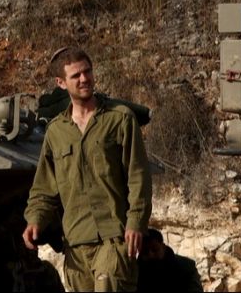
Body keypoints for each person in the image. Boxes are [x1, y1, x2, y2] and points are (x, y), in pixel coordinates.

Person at [22, 46, 152, 292]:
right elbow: (43, 189)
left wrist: (136, 222)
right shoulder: (56, 132)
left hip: (113, 239)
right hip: (75, 244)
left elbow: (138, 177)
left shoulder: (120, 119)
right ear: (61, 83)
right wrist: (35, 220)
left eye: (87, 72)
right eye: (76, 76)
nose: (84, 79)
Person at [137, 229, 203, 292]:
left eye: (155, 250)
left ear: (163, 247)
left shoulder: (186, 267)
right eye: (145, 252)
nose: (150, 255)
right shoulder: (134, 270)